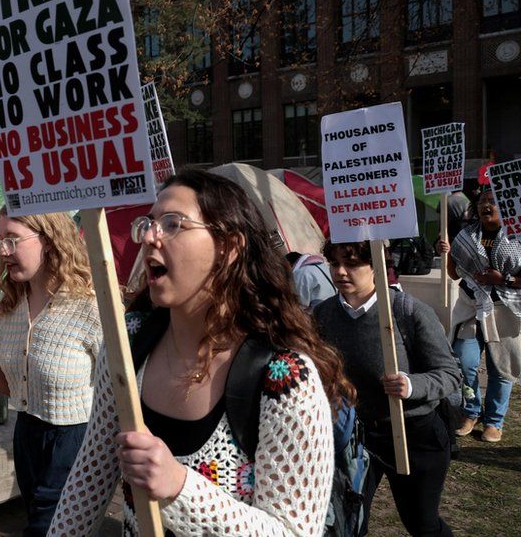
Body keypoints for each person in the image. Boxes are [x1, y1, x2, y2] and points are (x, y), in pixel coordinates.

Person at [50, 171, 354, 536]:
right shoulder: (126, 343)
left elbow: (292, 532)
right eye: (147, 223)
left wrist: (180, 488)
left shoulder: (286, 378)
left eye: (172, 224)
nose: (149, 236)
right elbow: (90, 475)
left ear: (229, 247)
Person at [0, 209, 102, 536]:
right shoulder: (12, 304)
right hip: (26, 436)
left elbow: (121, 389)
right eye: (0, 240)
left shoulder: (91, 305)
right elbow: (15, 385)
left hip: (77, 441)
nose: (3, 251)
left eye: (12, 240)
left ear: (50, 240)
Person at [313, 240, 461, 537]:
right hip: (357, 436)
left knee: (421, 523)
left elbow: (450, 374)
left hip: (414, 433)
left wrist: (411, 384)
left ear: (377, 266)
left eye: (352, 263)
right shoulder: (323, 314)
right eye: (335, 264)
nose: (341, 272)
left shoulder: (409, 311)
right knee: (347, 523)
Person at [437, 188, 520, 443]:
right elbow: (454, 275)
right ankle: (471, 412)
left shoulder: (516, 235)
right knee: (464, 360)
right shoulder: (466, 235)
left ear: (505, 205)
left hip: (504, 310)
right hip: (470, 307)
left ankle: (494, 421)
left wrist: (503, 279)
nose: (487, 205)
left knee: (501, 367)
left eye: (492, 201)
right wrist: (447, 253)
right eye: (482, 201)